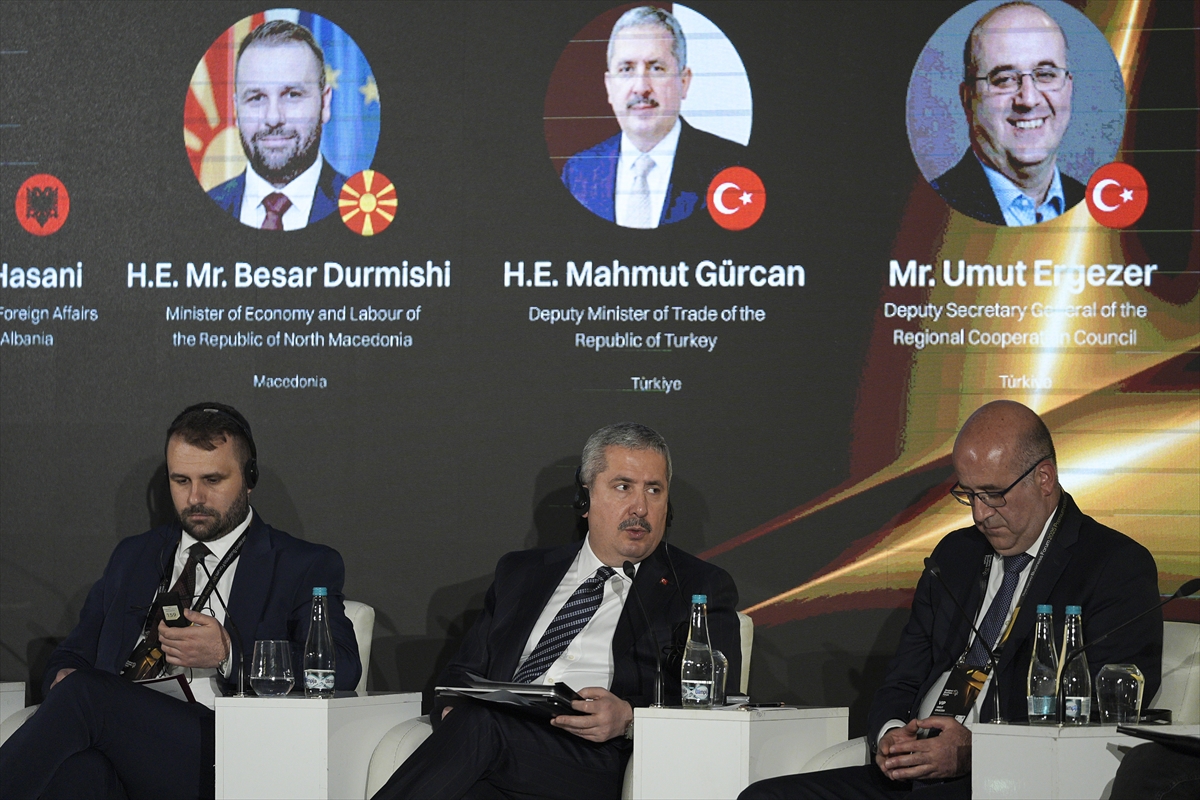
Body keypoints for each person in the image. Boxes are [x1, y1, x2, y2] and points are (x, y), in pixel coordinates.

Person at [740, 400, 1162, 800]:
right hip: (916, 772)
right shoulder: (955, 556)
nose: (980, 514)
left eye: (993, 494)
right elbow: (904, 677)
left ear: (1044, 478)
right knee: (765, 797)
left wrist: (977, 749)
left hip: (1009, 779)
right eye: (969, 495)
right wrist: (891, 735)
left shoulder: (1112, 565)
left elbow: (1105, 714)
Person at [0, 402, 361, 799]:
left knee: (86, 696)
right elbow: (72, 656)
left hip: (222, 746)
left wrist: (227, 653)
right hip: (121, 736)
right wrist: (63, 677)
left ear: (249, 478)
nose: (195, 497)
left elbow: (342, 667)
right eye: (181, 480)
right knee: (80, 767)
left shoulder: (301, 564)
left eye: (212, 479)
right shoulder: (134, 555)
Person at [372, 422, 741, 799]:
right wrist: (455, 712)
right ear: (585, 498)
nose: (640, 507)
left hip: (596, 758)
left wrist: (629, 717)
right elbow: (462, 673)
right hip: (496, 744)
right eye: (623, 487)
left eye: (654, 490)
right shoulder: (522, 573)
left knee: (482, 725)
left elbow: (716, 698)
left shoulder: (698, 586)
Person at [560, 6, 746, 228]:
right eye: (626, 69)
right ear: (609, 87)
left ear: (684, 82)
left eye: (656, 68)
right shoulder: (577, 173)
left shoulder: (734, 169)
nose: (641, 87)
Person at [931, 2, 1085, 226]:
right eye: (1004, 80)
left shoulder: (1093, 205)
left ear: (1068, 88)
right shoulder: (930, 213)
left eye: (1045, 75)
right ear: (968, 98)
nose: (1029, 100)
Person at [207, 20, 347, 230]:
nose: (273, 118)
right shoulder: (202, 210)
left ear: (325, 103)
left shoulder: (361, 208)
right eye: (256, 98)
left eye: (292, 95)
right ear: (236, 110)